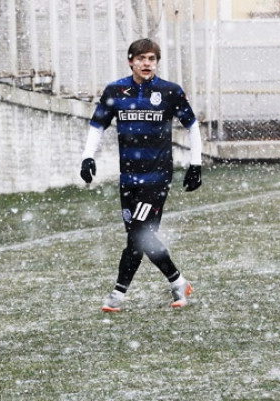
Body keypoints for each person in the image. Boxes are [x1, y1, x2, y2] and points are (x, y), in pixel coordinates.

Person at [80, 38, 202, 312]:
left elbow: (192, 126)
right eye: (142, 58)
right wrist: (88, 156)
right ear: (130, 61)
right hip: (129, 178)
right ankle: (178, 282)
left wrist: (196, 164)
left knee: (139, 233)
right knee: (139, 237)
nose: (147, 64)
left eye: (152, 59)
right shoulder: (116, 91)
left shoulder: (170, 92)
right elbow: (97, 125)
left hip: (157, 177)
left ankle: (118, 293)